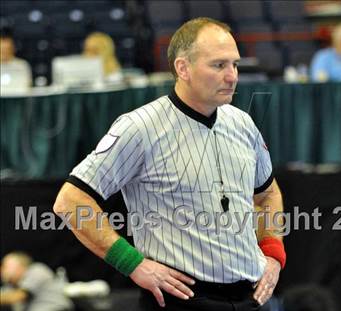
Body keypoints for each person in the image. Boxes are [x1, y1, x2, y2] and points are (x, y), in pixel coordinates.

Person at [53, 17, 286, 311]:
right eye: (218, 65)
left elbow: (267, 194)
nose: (232, 76)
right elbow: (70, 201)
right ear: (182, 68)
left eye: (235, 64)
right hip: (180, 299)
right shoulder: (140, 127)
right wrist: (134, 265)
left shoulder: (242, 123)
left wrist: (274, 255)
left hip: (249, 297)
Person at [0, 252, 74, 311]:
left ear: (20, 264)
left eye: (5, 265)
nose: (2, 270)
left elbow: (18, 296)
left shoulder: (36, 270)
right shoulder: (10, 286)